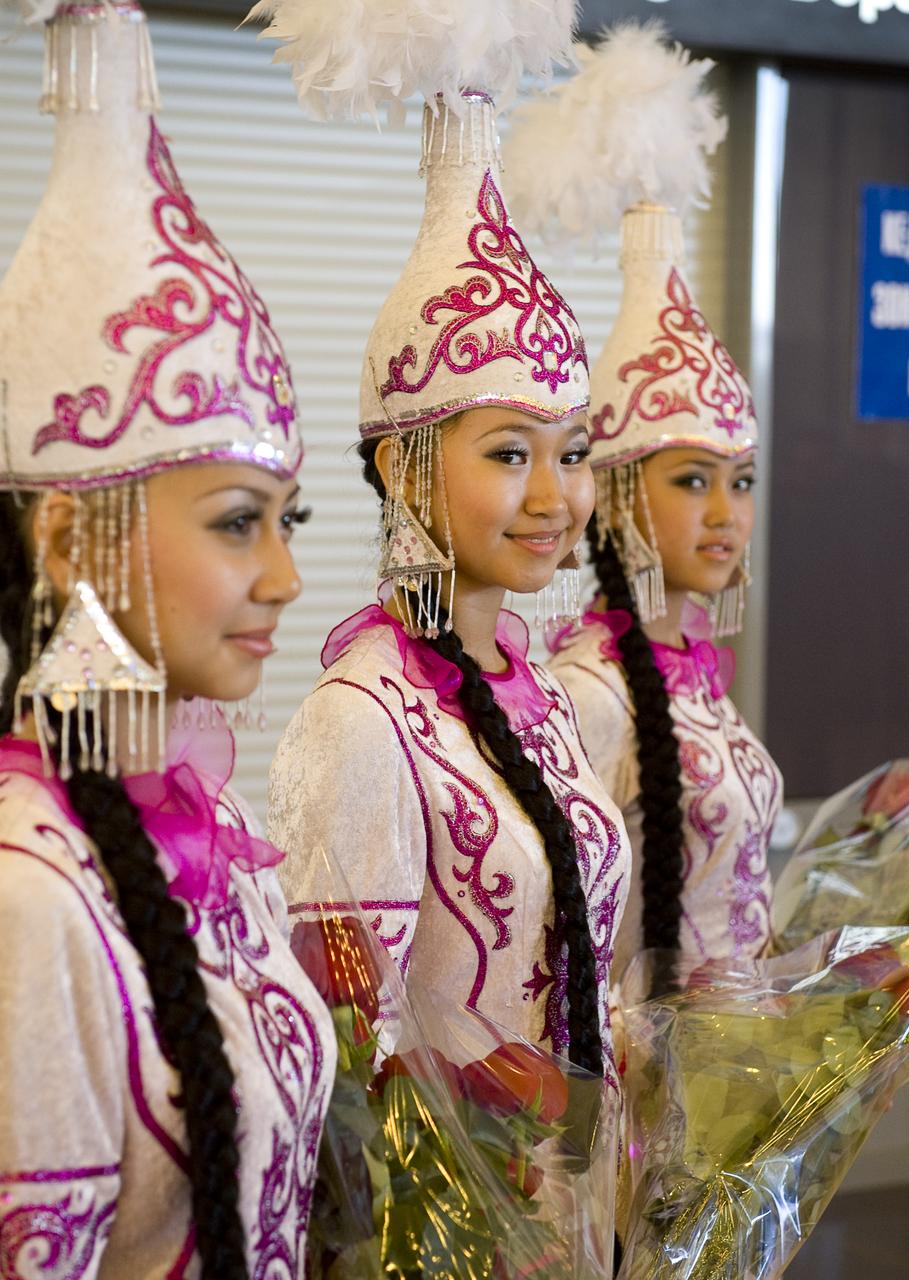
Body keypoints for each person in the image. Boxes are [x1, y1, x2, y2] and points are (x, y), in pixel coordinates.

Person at [0, 5, 334, 1277]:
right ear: (70, 543)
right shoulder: (31, 902)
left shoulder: (222, 831)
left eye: (286, 520)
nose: (288, 576)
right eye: (241, 523)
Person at [259, 15, 630, 1080]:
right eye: (511, 452)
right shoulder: (359, 722)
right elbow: (337, 1076)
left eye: (573, 453)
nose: (556, 496)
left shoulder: (543, 691)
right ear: (402, 467)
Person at [505, 24, 782, 985]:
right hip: (644, 1103)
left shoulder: (695, 671)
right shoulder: (589, 692)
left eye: (738, 481)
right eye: (690, 479)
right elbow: (561, 942)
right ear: (618, 489)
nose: (724, 512)